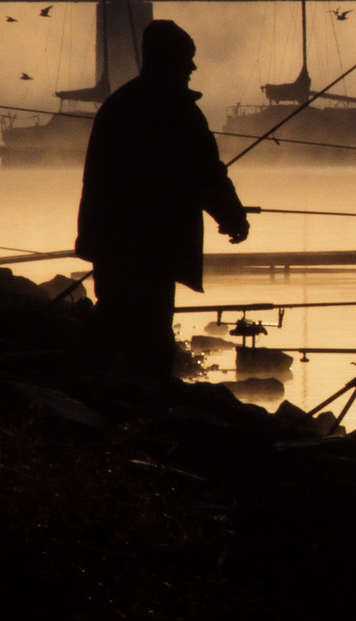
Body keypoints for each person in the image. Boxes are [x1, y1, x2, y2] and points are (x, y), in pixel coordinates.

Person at [76, 20, 248, 381]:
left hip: (111, 243)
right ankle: (144, 412)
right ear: (170, 60)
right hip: (154, 247)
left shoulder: (118, 105)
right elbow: (205, 173)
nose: (192, 68)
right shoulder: (176, 111)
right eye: (188, 59)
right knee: (151, 338)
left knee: (113, 320)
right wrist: (233, 217)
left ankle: (87, 393)